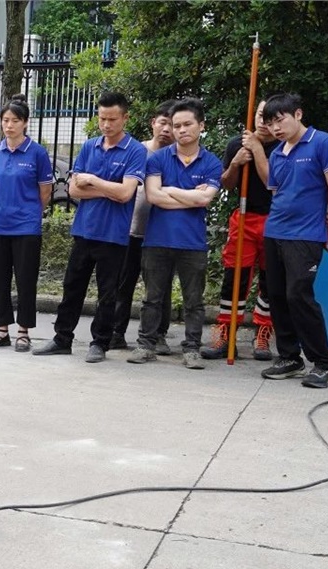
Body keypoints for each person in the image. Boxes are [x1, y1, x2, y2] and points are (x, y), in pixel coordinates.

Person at [34, 92, 147, 363]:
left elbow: (125, 194)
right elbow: (74, 190)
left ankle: (100, 343)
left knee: (108, 293)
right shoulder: (89, 146)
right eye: (102, 118)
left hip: (114, 235)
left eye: (112, 119)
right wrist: (109, 188)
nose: (106, 124)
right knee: (72, 287)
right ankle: (62, 338)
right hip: (84, 229)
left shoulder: (135, 150)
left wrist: (93, 181)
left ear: (125, 118)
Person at [258, 93, 328, 388]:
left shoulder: (323, 143)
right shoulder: (277, 153)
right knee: (276, 295)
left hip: (306, 235)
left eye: (280, 120)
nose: (276, 128)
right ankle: (289, 357)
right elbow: (277, 192)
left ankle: (324, 364)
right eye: (270, 123)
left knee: (299, 295)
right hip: (275, 232)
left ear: (297, 114)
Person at [128, 98, 222, 369]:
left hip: (193, 243)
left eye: (187, 124)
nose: (181, 130)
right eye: (176, 125)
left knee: (194, 301)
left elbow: (205, 199)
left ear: (201, 126)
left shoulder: (211, 162)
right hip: (157, 240)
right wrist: (192, 196)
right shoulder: (158, 159)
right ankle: (146, 345)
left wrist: (170, 191)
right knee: (152, 298)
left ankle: (191, 349)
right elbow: (154, 196)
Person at [201, 101, 280, 361]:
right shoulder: (238, 143)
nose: (263, 122)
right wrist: (235, 163)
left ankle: (263, 332)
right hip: (244, 217)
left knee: (270, 279)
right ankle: (226, 332)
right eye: (260, 115)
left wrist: (257, 150)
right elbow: (226, 184)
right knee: (235, 276)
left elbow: (273, 183)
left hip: (275, 219)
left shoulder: (284, 146)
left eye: (270, 117)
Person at [0, 95, 54, 351]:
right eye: (5, 120)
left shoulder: (37, 152)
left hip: (26, 227)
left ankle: (23, 332)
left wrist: (30, 212)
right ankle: (2, 331)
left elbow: (45, 192)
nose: (9, 125)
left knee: (25, 280)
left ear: (25, 122)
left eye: (15, 120)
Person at [110, 101, 174, 352]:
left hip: (161, 234)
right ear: (153, 123)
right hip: (130, 230)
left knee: (160, 288)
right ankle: (116, 333)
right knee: (122, 284)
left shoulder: (177, 157)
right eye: (163, 122)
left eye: (172, 124)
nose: (167, 129)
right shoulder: (137, 151)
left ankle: (158, 335)